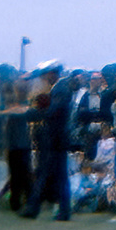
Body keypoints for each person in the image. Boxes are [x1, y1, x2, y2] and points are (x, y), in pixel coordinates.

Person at [24, 64, 73, 221]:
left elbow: (53, 111)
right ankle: (37, 207)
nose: (45, 78)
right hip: (54, 139)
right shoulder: (58, 89)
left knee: (50, 174)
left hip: (55, 139)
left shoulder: (60, 89)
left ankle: (36, 208)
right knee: (51, 175)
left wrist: (33, 112)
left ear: (53, 74)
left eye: (47, 75)